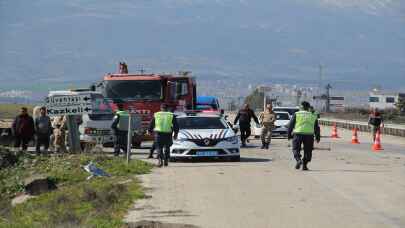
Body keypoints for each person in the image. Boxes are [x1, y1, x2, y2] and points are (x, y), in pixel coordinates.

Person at [287, 101, 320, 171]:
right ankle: (304, 165)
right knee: (308, 151)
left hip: (298, 134)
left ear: (301, 107)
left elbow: (290, 125)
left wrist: (289, 135)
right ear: (308, 108)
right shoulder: (313, 115)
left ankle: (298, 160)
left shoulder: (297, 114)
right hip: (309, 135)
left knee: (296, 149)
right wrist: (317, 137)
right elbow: (316, 127)